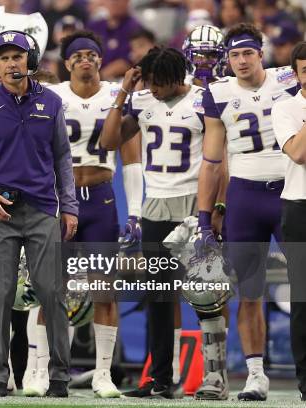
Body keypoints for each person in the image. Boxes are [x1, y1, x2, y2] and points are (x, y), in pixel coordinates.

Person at [23, 30, 143, 399]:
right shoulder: (51, 94)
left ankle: (102, 374)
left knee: (104, 289)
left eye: (91, 54)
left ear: (100, 60)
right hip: (58, 198)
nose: (84, 60)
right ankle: (41, 369)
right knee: (49, 288)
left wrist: (135, 212)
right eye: (77, 56)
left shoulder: (114, 94)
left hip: (101, 198)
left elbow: (132, 158)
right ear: (66, 62)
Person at [0, 30, 78, 398]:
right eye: (3, 57)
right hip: (1, 210)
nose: (10, 63)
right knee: (1, 293)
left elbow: (63, 156)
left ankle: (59, 375)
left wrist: (69, 205)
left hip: (43, 208)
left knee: (51, 291)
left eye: (17, 56)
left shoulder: (53, 102)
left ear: (31, 60)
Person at [195, 22, 298, 401]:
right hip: (245, 196)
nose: (241, 61)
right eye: (234, 54)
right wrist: (207, 216)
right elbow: (211, 160)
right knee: (249, 291)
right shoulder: (218, 94)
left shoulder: (287, 79)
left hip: (291, 191)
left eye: (247, 53)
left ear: (261, 52)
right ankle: (256, 374)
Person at [101, 46, 206, 399]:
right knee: (159, 297)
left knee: (208, 293)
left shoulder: (203, 100)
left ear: (178, 77)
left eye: (159, 82)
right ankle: (160, 378)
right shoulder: (143, 100)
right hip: (156, 206)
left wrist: (212, 208)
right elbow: (108, 140)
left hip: (194, 203)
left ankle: (215, 375)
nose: (154, 88)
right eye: (150, 81)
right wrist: (124, 91)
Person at [271, 41, 306, 402]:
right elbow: (298, 152)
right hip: (300, 206)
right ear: (295, 74)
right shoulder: (286, 108)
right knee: (303, 298)